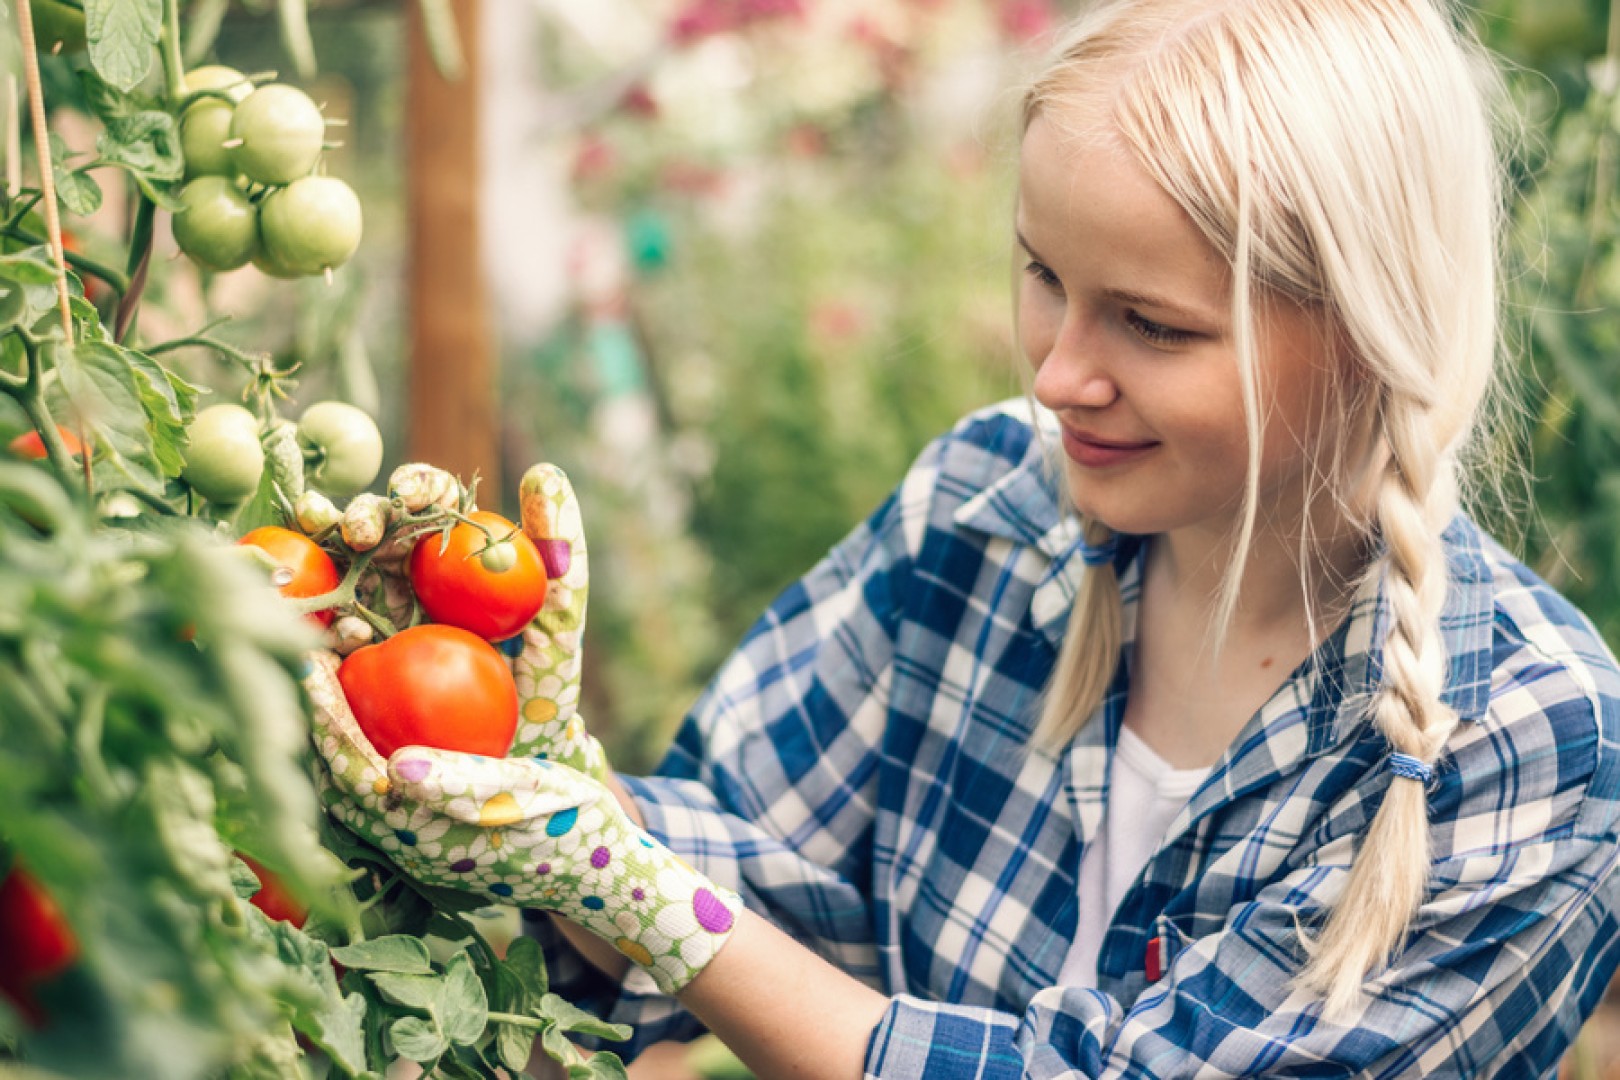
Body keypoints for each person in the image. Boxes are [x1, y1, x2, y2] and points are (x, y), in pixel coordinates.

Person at [309, 0, 1620, 1074]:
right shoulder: (996, 502)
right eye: (1045, 276)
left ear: (1364, 335)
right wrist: (514, 775)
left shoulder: (1528, 749)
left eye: (1149, 326)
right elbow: (746, 852)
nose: (1058, 374)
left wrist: (642, 895)